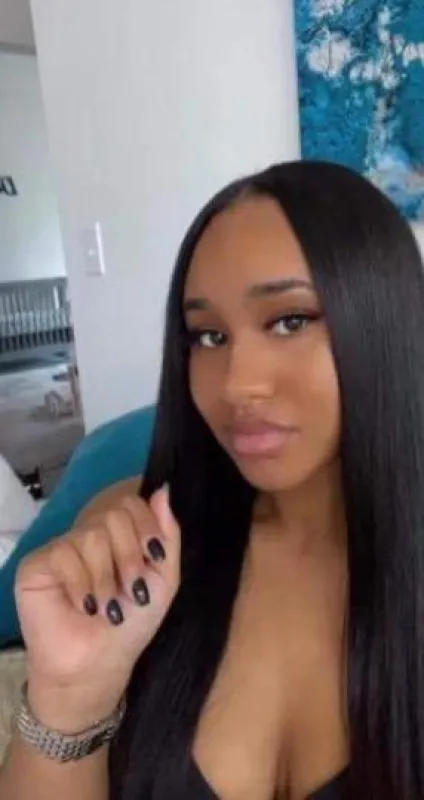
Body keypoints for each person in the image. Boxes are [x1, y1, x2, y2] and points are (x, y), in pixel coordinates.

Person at [1, 161, 424, 800]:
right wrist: (68, 700)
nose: (236, 384)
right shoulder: (138, 537)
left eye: (289, 320)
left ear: (386, 318)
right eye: (208, 335)